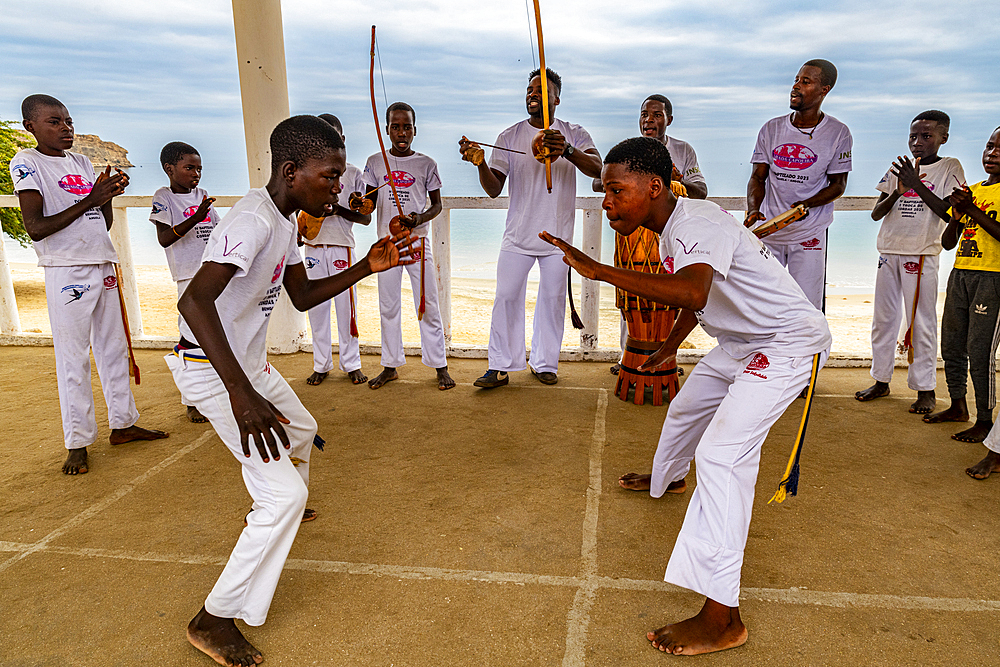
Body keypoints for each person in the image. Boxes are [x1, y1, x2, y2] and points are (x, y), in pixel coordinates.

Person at [544, 137, 831, 655]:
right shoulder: (672, 226)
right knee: (686, 407)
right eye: (603, 190)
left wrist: (601, 270)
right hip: (743, 341)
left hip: (788, 343)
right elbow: (699, 300)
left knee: (722, 455)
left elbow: (694, 291)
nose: (606, 201)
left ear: (654, 186)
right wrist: (668, 349)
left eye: (615, 190)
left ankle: (723, 619)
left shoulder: (695, 223)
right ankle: (668, 477)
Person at [171, 115, 414, 666]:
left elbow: (301, 295)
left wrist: (366, 266)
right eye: (330, 177)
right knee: (287, 496)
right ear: (291, 171)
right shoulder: (253, 220)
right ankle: (213, 619)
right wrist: (240, 394)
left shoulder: (288, 220)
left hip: (248, 366)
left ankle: (273, 500)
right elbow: (193, 303)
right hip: (213, 370)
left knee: (301, 430)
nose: (339, 188)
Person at [10, 94, 168, 475]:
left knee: (114, 348)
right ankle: (78, 442)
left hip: (102, 262)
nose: (66, 127)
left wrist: (107, 195)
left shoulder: (81, 161)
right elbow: (36, 227)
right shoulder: (27, 163)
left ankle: (123, 424)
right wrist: (92, 197)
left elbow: (102, 222)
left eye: (68, 120)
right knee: (73, 357)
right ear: (31, 126)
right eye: (54, 121)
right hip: (67, 269)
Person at [459, 67, 603, 387]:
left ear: (557, 99)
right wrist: (480, 162)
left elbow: (598, 170)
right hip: (518, 235)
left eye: (540, 90)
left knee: (552, 299)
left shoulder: (574, 132)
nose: (532, 94)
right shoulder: (508, 136)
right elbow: (494, 187)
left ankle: (544, 363)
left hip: (557, 237)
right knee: (506, 297)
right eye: (529, 89)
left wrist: (565, 149)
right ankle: (500, 365)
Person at [855, 111, 964, 414]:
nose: (917, 143)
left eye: (926, 136)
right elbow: (877, 213)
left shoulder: (949, 167)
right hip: (889, 249)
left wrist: (917, 185)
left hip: (921, 252)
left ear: (943, 137)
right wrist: (900, 190)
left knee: (921, 323)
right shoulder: (899, 168)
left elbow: (948, 213)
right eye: (913, 136)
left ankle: (925, 388)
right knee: (884, 320)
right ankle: (881, 379)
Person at [594, 94, 709, 374]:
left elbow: (701, 192)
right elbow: (601, 183)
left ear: (668, 119)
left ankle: (667, 356)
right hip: (634, 239)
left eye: (657, 115)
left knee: (668, 300)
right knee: (632, 295)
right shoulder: (628, 151)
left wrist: (676, 179)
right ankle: (628, 358)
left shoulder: (684, 150)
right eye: (645, 114)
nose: (649, 119)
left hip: (671, 233)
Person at [745, 59, 852, 312]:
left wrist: (807, 204)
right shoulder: (771, 128)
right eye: (796, 80)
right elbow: (758, 177)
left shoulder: (838, 133)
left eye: (805, 81)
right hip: (769, 231)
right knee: (761, 304)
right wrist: (752, 209)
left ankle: (808, 352)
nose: (796, 87)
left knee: (806, 308)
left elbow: (838, 185)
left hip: (809, 232)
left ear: (824, 89)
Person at [362, 102, 454, 391]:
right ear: (387, 129)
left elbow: (437, 205)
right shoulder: (376, 162)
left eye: (407, 127)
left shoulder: (426, 164)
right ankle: (390, 365)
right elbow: (368, 204)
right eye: (395, 126)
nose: (401, 132)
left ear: (415, 130)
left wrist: (418, 218)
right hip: (387, 245)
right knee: (388, 305)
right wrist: (357, 202)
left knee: (427, 304)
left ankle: (440, 366)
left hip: (416, 242)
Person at [926, 126, 1000, 445]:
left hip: (992, 278)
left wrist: (970, 209)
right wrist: (957, 215)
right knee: (953, 343)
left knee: (980, 351)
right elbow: (947, 243)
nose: (992, 153)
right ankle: (958, 405)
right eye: (989, 146)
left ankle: (984, 420)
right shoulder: (974, 190)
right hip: (961, 273)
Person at [150, 141, 220, 422]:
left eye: (199, 169)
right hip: (188, 276)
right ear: (170, 169)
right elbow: (165, 238)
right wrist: (196, 218)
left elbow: (216, 229)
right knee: (191, 336)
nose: (196, 174)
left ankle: (215, 389)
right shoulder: (163, 197)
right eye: (189, 167)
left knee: (216, 331)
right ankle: (191, 400)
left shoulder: (201, 195)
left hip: (211, 273)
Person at [299, 113, 371, 387]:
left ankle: (351, 363)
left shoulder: (353, 174)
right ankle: (321, 364)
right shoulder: (306, 173)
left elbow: (365, 217)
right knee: (316, 308)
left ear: (342, 139)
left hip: (342, 246)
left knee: (346, 308)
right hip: (313, 247)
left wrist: (339, 210)